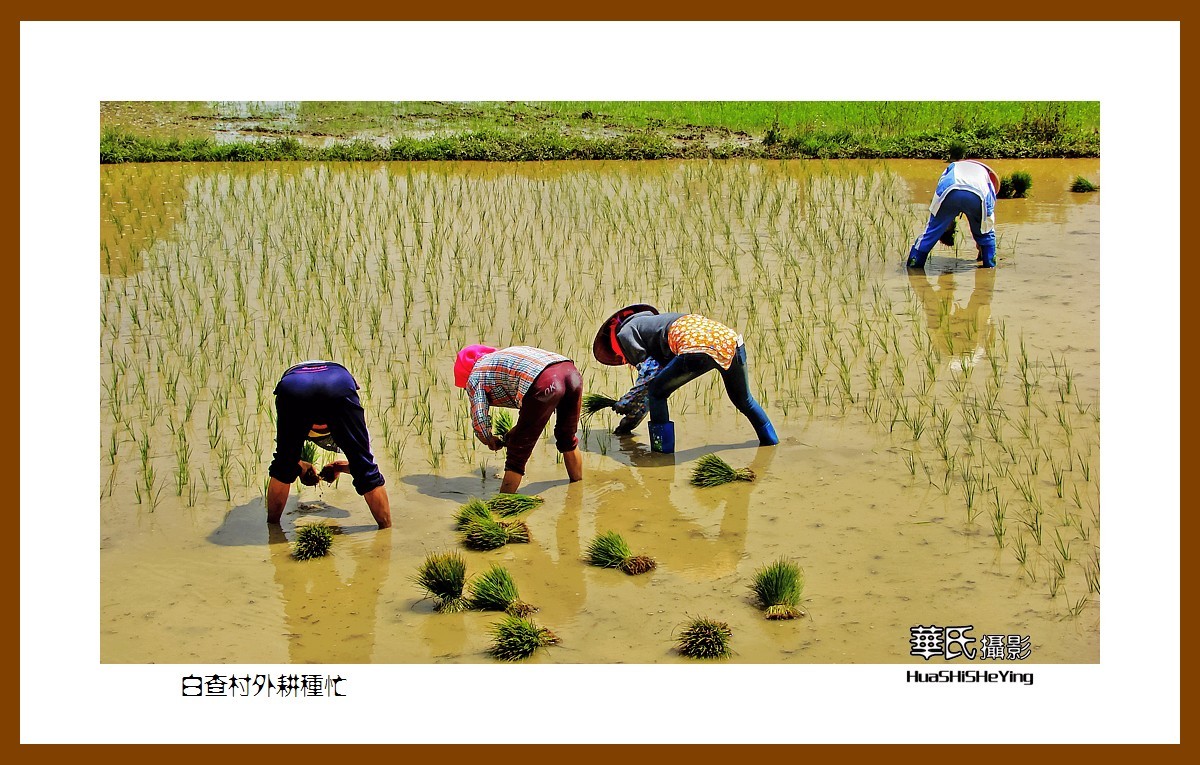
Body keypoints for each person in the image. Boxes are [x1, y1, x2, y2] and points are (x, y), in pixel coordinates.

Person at [592, 304, 779, 454]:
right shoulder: (660, 324)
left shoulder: (625, 333)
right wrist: (627, 425)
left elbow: (648, 382)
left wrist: (624, 403)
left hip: (696, 348)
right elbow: (648, 389)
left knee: (657, 393)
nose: (624, 360)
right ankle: (771, 443)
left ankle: (661, 452)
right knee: (743, 400)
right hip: (731, 342)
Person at [266, 360, 391, 529]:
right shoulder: (354, 429)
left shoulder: (300, 421)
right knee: (365, 470)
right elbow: (366, 466)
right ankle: (386, 531)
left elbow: (286, 461)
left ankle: (272, 531)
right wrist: (305, 468)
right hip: (338, 380)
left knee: (283, 466)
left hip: (294, 384)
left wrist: (306, 468)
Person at [454, 344, 584, 494]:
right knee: (566, 437)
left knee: (517, 452)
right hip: (570, 372)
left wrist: (488, 439)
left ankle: (503, 505)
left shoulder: (474, 376)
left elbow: (480, 418)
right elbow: (534, 411)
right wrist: (515, 432)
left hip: (545, 382)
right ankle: (577, 490)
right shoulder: (499, 358)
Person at [906, 159, 1000, 270]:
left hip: (950, 190)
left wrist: (942, 226)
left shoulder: (954, 166)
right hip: (978, 196)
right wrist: (981, 241)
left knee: (931, 232)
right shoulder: (988, 181)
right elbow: (987, 222)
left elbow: (941, 186)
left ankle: (913, 267)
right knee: (986, 233)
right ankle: (989, 266)